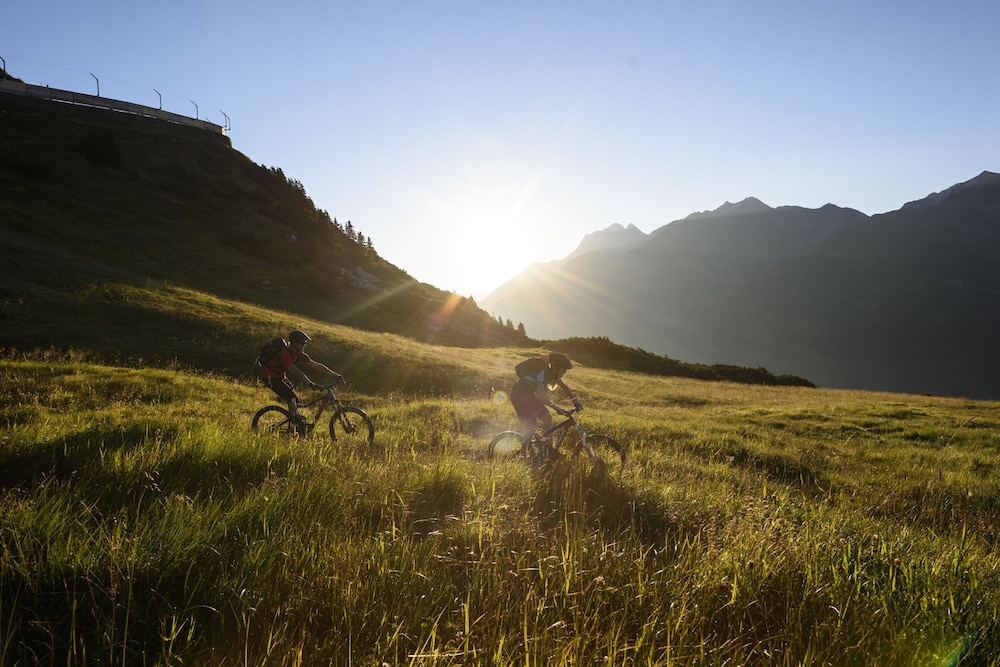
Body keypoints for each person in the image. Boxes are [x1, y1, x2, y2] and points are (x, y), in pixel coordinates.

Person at [260, 330, 341, 428]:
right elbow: (296, 372)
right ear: (293, 343)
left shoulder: (298, 355)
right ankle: (295, 425)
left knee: (296, 401)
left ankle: (295, 426)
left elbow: (316, 365)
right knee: (290, 397)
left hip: (280, 376)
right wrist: (310, 383)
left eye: (305, 343)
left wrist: (335, 375)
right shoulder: (285, 354)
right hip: (269, 377)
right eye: (301, 343)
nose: (304, 346)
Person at [509, 352, 583, 442]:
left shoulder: (553, 374)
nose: (565, 372)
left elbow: (564, 387)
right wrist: (557, 408)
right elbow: (540, 395)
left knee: (547, 418)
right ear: (556, 367)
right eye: (563, 370)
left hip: (530, 396)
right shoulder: (543, 373)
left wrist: (575, 400)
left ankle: (549, 449)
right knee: (531, 425)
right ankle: (523, 454)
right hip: (518, 396)